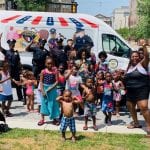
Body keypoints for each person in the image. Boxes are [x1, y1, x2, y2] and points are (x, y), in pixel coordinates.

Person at [124, 39, 150, 137]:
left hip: (142, 89)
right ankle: (136, 123)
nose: (134, 58)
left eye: (136, 56)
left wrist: (144, 46)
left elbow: (147, 56)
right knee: (130, 106)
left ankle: (149, 127)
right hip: (130, 90)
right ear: (130, 58)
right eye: (133, 56)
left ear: (139, 57)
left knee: (143, 107)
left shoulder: (142, 64)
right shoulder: (129, 67)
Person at [0, 33, 23, 102]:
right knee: (7, 83)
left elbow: (19, 61)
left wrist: (21, 69)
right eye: (10, 44)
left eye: (12, 44)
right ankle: (6, 97)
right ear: (9, 45)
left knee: (18, 83)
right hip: (9, 70)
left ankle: (20, 97)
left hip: (16, 70)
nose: (11, 45)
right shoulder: (6, 52)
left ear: (14, 45)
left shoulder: (16, 52)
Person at [38, 57, 60, 126]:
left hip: (52, 89)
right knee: (44, 103)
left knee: (53, 103)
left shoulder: (55, 71)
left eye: (51, 64)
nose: (50, 65)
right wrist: (42, 91)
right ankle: (42, 119)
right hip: (44, 88)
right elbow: (41, 82)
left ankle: (54, 119)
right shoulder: (43, 71)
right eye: (48, 64)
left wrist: (50, 88)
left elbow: (57, 81)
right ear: (45, 64)